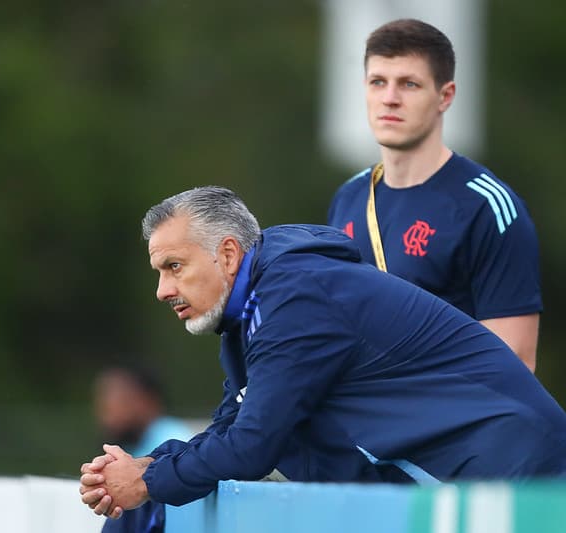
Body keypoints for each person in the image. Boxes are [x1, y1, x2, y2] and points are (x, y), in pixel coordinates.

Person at [78, 186, 566, 519]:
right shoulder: (257, 307)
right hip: (481, 481)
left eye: (174, 267)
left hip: (516, 482)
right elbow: (232, 426)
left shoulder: (295, 298)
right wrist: (148, 464)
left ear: (227, 255)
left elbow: (253, 445)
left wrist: (149, 483)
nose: (163, 290)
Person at [327, 19, 541, 371]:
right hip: (366, 422)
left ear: (445, 96)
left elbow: (514, 363)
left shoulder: (488, 207)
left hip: (447, 423)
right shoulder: (349, 197)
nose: (390, 98)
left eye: (409, 84)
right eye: (378, 82)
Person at [93, 366, 193, 533]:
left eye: (120, 400)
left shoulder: (175, 440)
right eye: (104, 401)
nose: (109, 410)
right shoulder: (131, 444)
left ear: (148, 401)